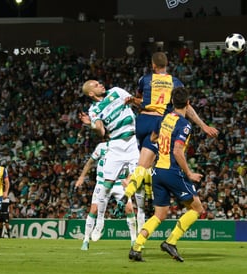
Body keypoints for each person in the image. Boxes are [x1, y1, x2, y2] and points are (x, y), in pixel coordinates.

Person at [122, 51, 218, 205]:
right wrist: (203, 125)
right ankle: (129, 183)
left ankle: (145, 187)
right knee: (149, 161)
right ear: (166, 65)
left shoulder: (144, 79)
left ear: (153, 65)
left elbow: (141, 100)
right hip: (159, 122)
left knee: (148, 159)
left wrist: (133, 101)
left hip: (142, 121)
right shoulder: (175, 82)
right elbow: (187, 108)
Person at [129, 87, 204, 262]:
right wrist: (189, 173)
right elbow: (178, 151)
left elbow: (153, 137)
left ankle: (137, 247)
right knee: (197, 209)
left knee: (159, 214)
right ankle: (171, 241)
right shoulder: (184, 125)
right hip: (172, 171)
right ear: (187, 103)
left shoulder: (164, 118)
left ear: (171, 102)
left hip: (157, 171)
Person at [78, 80, 142, 247]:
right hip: (115, 144)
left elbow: (138, 103)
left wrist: (133, 101)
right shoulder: (94, 110)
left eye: (99, 83)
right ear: (91, 94)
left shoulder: (116, 91)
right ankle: (100, 222)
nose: (100, 85)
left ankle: (122, 202)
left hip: (133, 140)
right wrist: (91, 125)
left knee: (139, 175)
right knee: (106, 184)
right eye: (96, 85)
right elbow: (101, 131)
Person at [76, 141, 145, 250]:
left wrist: (128, 180)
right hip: (102, 182)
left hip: (119, 183)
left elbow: (134, 168)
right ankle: (86, 240)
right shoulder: (102, 147)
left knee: (129, 209)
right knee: (94, 210)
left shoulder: (127, 148)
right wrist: (81, 177)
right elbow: (90, 162)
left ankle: (133, 240)